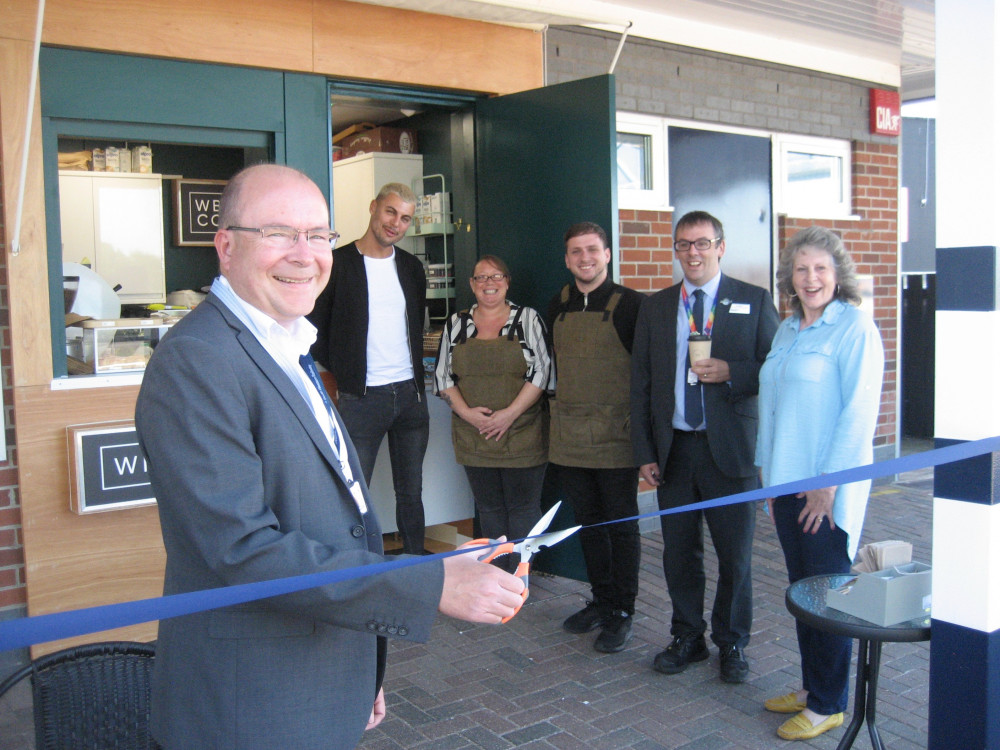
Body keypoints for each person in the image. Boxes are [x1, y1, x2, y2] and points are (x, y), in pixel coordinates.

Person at [135, 164, 525, 750]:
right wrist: (427, 580)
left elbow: (338, 514)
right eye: (277, 232)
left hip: (319, 673)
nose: (305, 253)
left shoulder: (286, 340)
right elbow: (243, 552)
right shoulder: (198, 361)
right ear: (225, 245)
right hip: (253, 708)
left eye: (318, 235)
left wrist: (359, 665)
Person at [631, 210, 779, 683]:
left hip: (731, 451)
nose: (692, 253)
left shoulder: (753, 301)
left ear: (721, 246)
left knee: (735, 555)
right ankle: (687, 637)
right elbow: (640, 384)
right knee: (679, 553)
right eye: (683, 245)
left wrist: (734, 372)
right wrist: (645, 451)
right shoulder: (655, 308)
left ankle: (732, 643)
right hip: (674, 451)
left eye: (701, 243)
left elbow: (775, 372)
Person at [756, 226, 884, 741]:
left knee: (828, 594)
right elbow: (773, 406)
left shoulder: (853, 328)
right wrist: (768, 474)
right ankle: (813, 686)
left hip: (824, 491)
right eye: (801, 269)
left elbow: (859, 414)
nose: (810, 278)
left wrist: (827, 486)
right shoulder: (788, 329)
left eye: (821, 269)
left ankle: (830, 702)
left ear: (838, 275)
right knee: (803, 591)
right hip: (786, 485)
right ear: (790, 277)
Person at [309, 182, 429, 555]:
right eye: (391, 212)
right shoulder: (338, 263)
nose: (396, 223)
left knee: (411, 491)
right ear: (374, 207)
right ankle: (359, 571)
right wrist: (343, 373)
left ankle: (414, 566)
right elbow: (313, 329)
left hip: (410, 396)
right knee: (353, 492)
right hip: (361, 398)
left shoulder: (411, 267)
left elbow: (414, 326)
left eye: (405, 218)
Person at [546, 222, 644, 653]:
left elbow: (647, 377)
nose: (584, 258)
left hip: (615, 438)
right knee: (588, 526)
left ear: (607, 254)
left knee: (621, 528)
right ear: (567, 260)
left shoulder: (632, 306)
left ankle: (622, 611)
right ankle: (601, 601)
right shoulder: (559, 304)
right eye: (575, 252)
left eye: (592, 250)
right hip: (570, 437)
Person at [434, 256, 552, 552]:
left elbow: (542, 371)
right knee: (488, 510)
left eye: (496, 276)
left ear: (507, 282)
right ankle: (496, 574)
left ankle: (518, 577)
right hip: (474, 436)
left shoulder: (527, 319)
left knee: (523, 509)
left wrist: (509, 415)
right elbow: (442, 377)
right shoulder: (456, 323)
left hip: (523, 433)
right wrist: (468, 414)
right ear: (472, 284)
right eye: (481, 278)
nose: (489, 283)